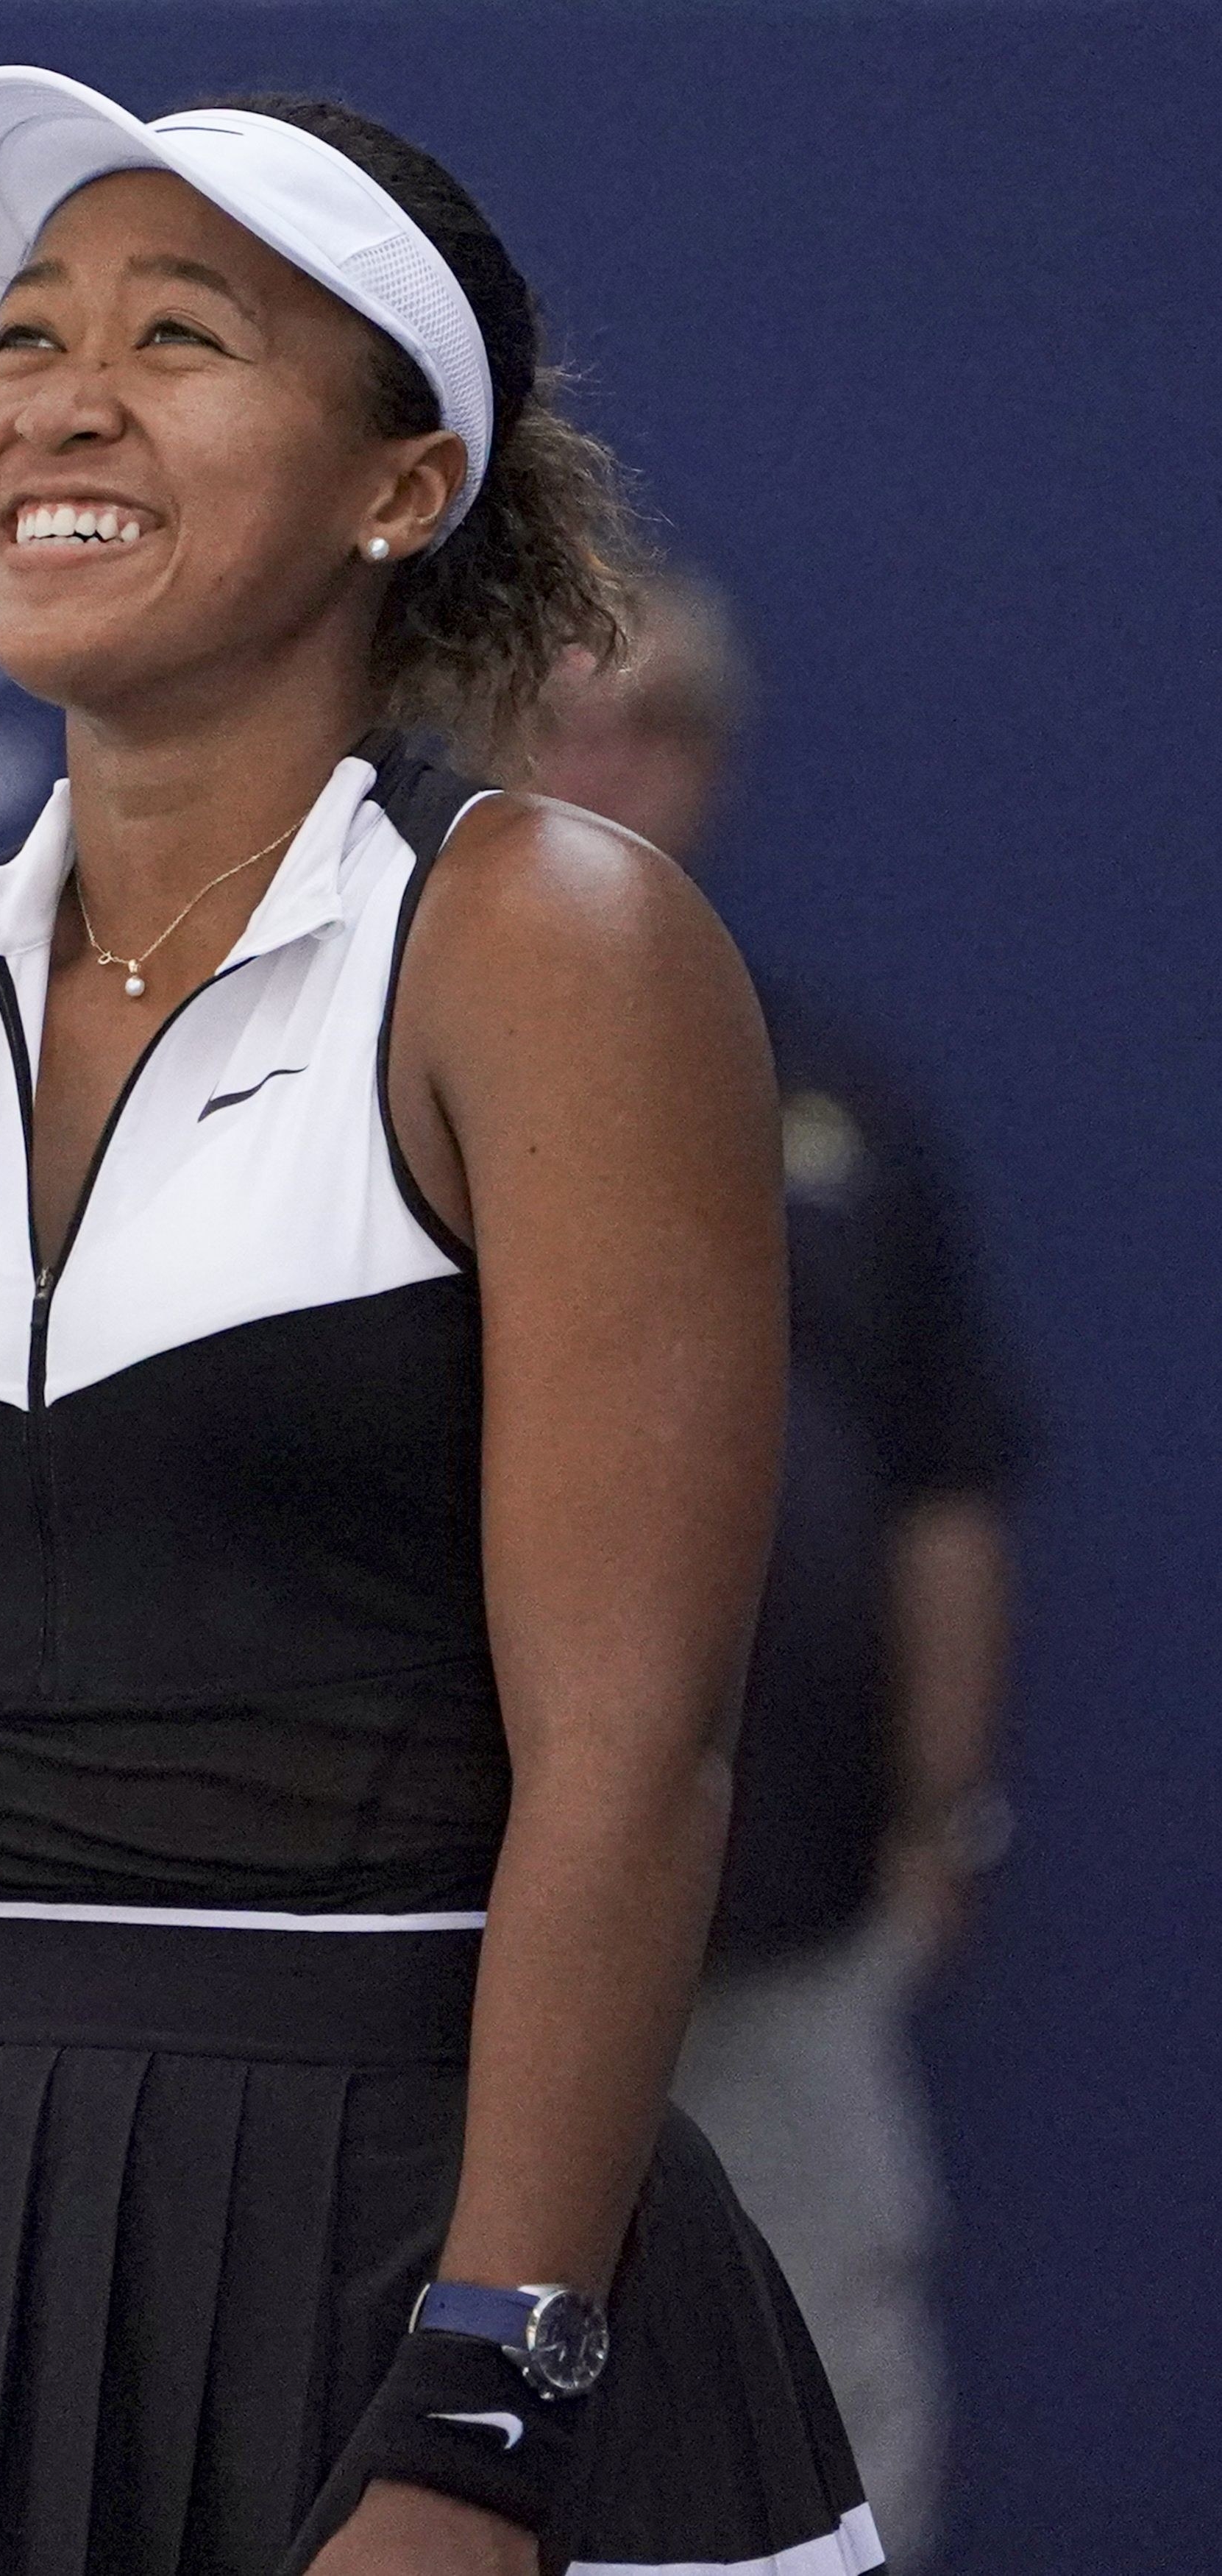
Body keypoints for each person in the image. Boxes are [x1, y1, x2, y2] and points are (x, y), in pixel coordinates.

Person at [0, 71, 881, 2576]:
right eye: (22, 336)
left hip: (417, 2291)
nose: (59, 397)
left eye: (180, 337)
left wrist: (479, 2418)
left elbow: (633, 1753)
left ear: (400, 486)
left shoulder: (549, 948)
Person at [517, 573, 1028, 2569]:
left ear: (706, 770)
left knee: (828, 2358)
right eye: (557, 721)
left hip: (789, 1905)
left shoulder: (837, 1099)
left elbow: (943, 1480)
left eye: (643, 725)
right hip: (476, 1913)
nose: (597, 766)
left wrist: (934, 1818)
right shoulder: (384, 1069)